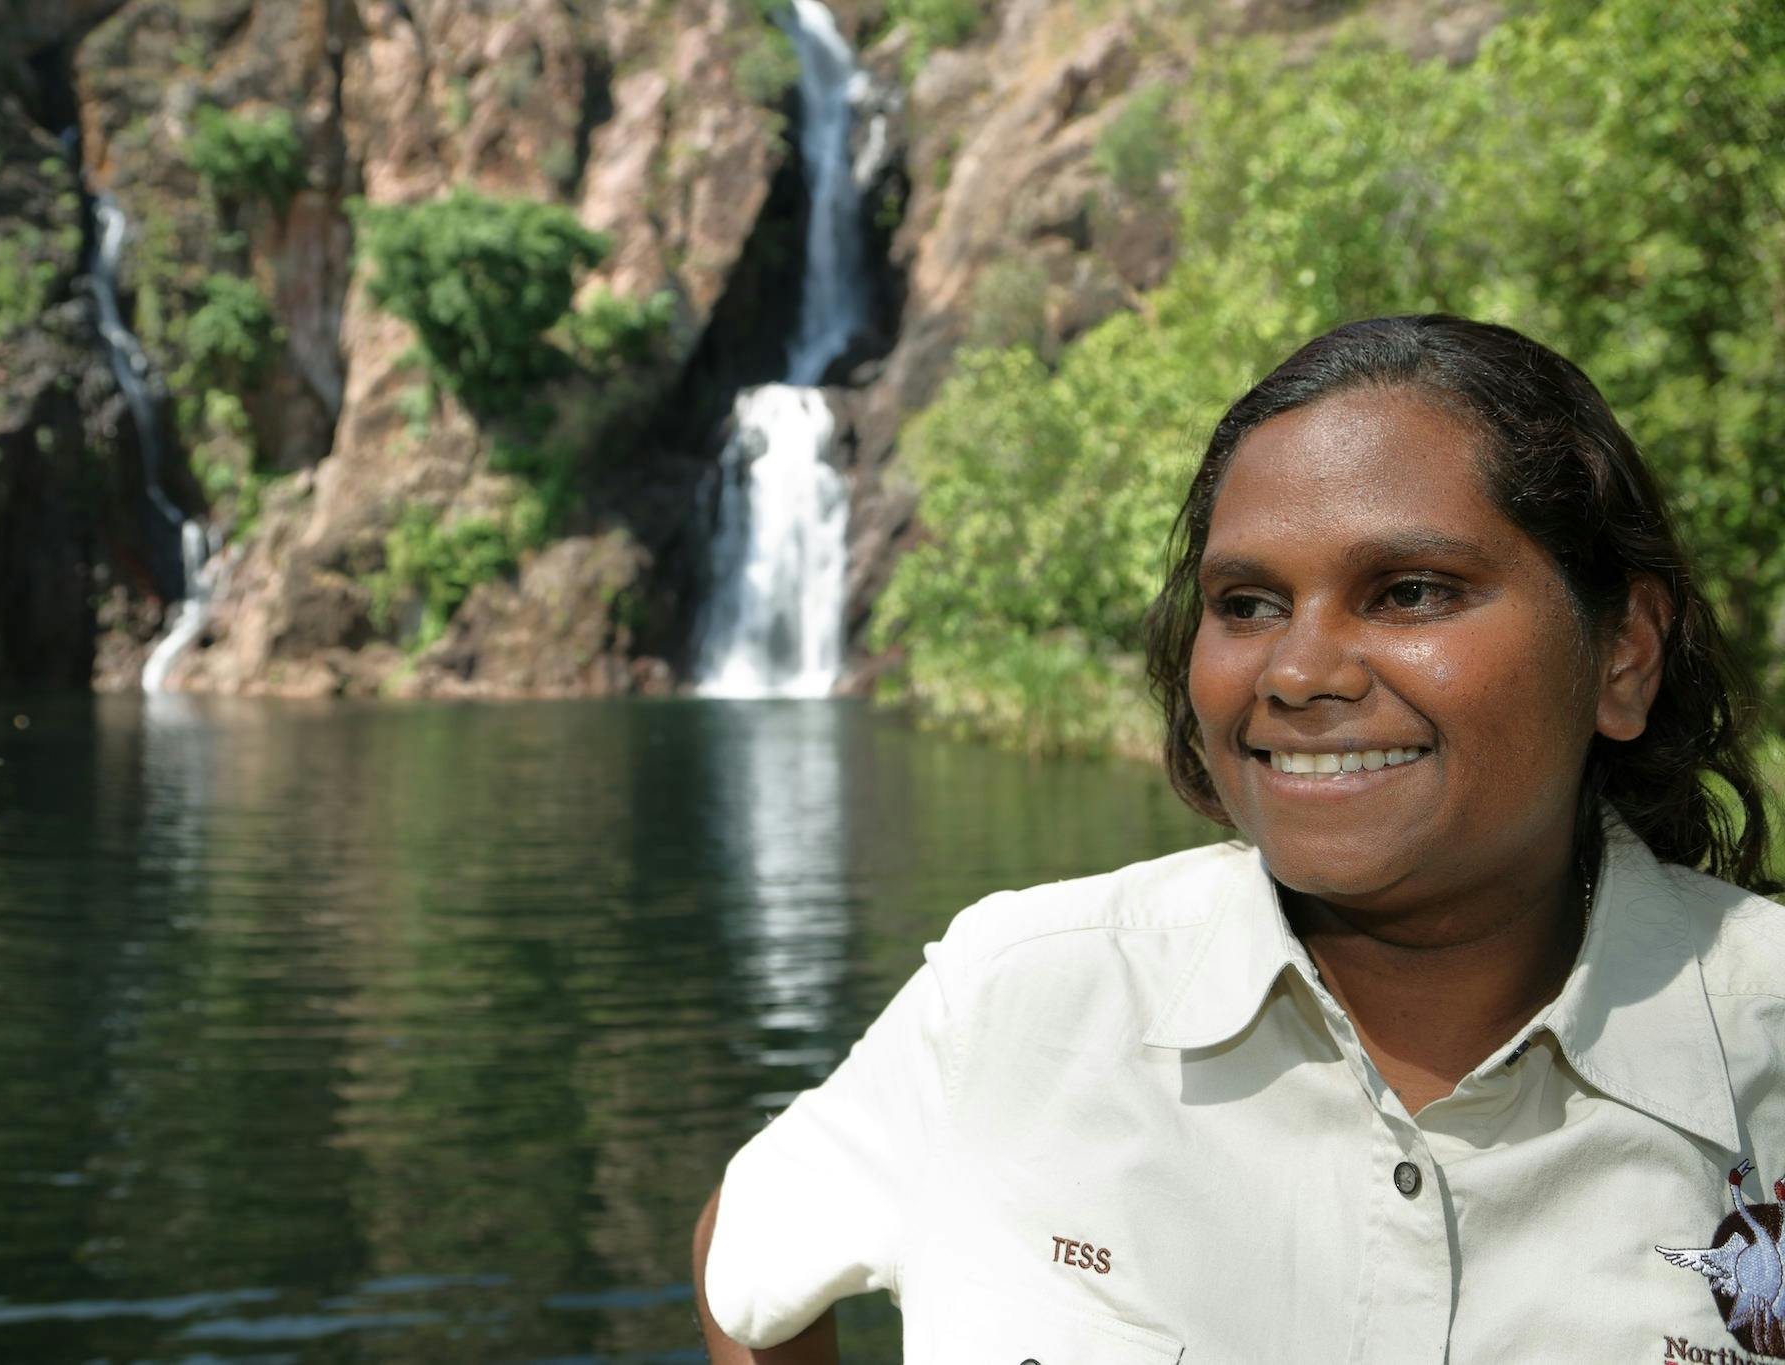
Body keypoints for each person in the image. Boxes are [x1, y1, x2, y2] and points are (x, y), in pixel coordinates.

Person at [690, 315, 1784, 1363]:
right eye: (1248, 602)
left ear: (1622, 655)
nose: (1299, 672)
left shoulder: (1762, 1050)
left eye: (1407, 592)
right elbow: (742, 1250)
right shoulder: (1020, 999)